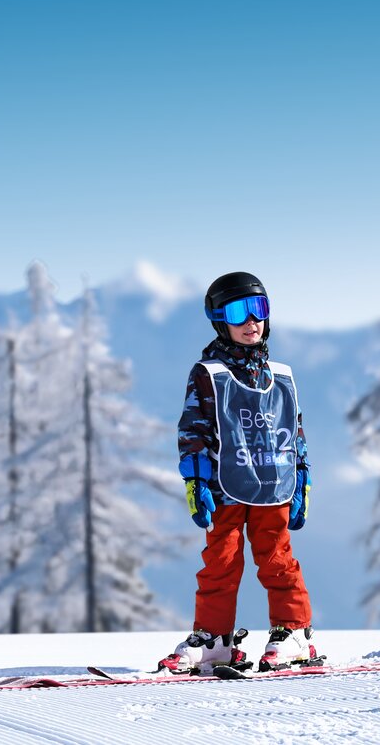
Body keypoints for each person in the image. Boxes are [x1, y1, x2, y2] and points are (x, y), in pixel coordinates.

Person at [157, 272, 318, 675]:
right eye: (238, 312)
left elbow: (293, 430)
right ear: (219, 320)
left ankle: (293, 632)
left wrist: (303, 478)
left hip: (273, 485)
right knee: (220, 563)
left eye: (258, 310)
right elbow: (192, 430)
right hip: (227, 486)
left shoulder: (280, 375)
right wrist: (195, 480)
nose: (251, 322)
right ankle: (214, 640)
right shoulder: (209, 373)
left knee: (277, 560)